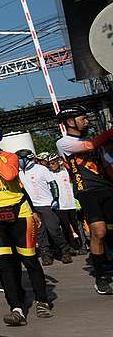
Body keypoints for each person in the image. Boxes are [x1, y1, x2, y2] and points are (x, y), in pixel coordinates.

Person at [0, 123, 53, 324]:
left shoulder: (9, 157)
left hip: (19, 214)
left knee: (29, 260)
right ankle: (16, 308)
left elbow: (9, 175)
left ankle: (42, 301)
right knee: (4, 264)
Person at [54, 105, 113, 295]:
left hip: (106, 188)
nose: (87, 121)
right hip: (86, 191)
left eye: (86, 118)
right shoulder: (64, 143)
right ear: (70, 122)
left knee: (110, 232)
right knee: (99, 231)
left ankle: (108, 262)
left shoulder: (94, 139)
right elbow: (89, 147)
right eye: (82, 118)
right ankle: (100, 276)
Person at [16, 149, 73, 266]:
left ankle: (65, 251)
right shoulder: (19, 173)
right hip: (32, 207)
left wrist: (56, 199)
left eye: (20, 159)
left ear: (27, 158)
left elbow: (53, 184)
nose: (18, 162)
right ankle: (46, 254)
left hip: (46, 205)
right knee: (40, 233)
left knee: (54, 229)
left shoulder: (41, 169)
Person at [40, 152, 84, 252]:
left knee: (77, 226)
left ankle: (83, 245)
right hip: (60, 206)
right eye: (50, 164)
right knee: (65, 227)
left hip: (72, 204)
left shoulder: (66, 172)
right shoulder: (49, 174)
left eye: (53, 163)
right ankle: (72, 246)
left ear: (58, 162)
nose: (51, 165)